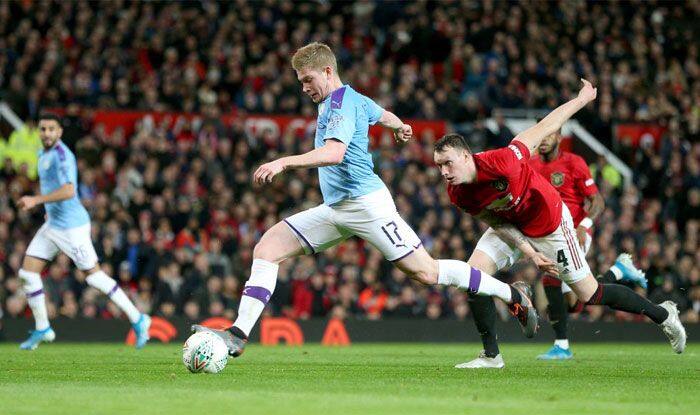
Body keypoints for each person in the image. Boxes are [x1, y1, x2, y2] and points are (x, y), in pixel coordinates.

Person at [193, 42, 537, 357]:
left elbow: (334, 153)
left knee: (427, 272)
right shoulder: (353, 98)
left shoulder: (340, 104)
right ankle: (238, 334)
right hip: (337, 209)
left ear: (328, 71)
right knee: (268, 247)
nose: (304, 88)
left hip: (366, 205)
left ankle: (513, 295)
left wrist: (283, 162)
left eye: (308, 79)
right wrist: (399, 126)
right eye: (300, 82)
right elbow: (381, 113)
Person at [432, 80, 686, 369]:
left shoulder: (504, 160)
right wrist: (530, 253)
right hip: (512, 225)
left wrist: (582, 99)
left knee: (590, 294)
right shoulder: (458, 193)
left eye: (448, 163)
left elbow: (548, 124)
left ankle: (664, 315)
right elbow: (496, 221)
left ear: (466, 156)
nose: (444, 172)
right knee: (472, 277)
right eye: (439, 165)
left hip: (551, 226)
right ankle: (492, 355)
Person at [16, 113, 151, 350]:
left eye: (51, 129)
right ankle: (43, 328)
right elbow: (53, 187)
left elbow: (69, 191)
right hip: (54, 224)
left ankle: (138, 318)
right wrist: (48, 209)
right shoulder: (42, 153)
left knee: (94, 277)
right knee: (28, 273)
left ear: (59, 132)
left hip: (71, 228)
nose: (46, 133)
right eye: (43, 129)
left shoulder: (63, 155)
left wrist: (36, 200)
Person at [529, 128, 647, 360]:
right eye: (541, 135)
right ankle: (617, 271)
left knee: (551, 277)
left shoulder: (574, 163)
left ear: (559, 138)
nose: (543, 140)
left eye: (549, 135)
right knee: (576, 302)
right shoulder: (531, 165)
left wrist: (584, 224)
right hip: (549, 235)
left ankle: (562, 346)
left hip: (575, 233)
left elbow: (597, 200)